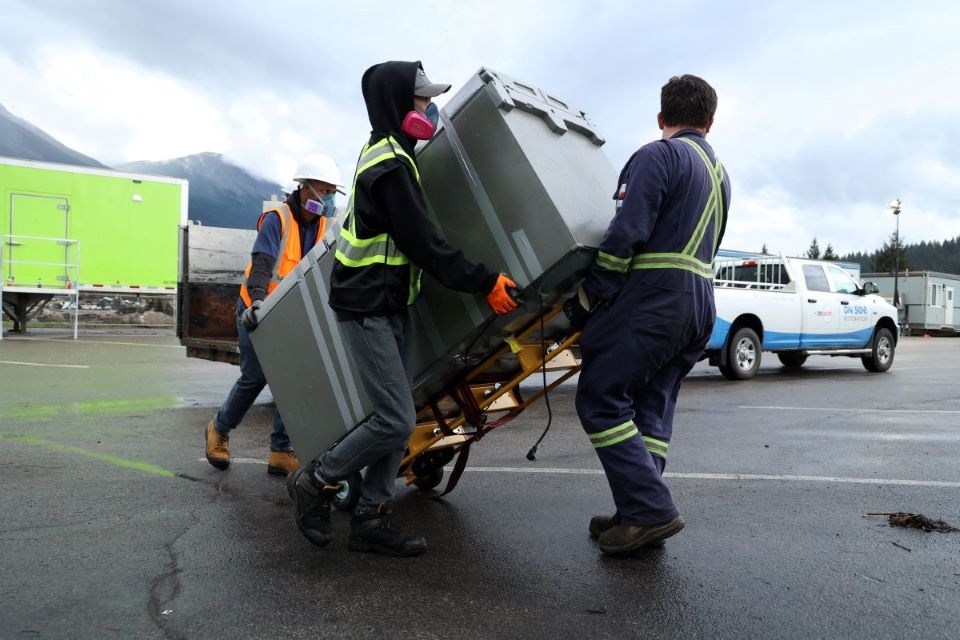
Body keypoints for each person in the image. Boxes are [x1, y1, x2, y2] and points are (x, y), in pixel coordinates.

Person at [288, 60, 519, 557]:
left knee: (399, 412)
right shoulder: (389, 164)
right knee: (393, 420)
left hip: (389, 302)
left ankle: (371, 517)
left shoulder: (397, 155)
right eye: (421, 99)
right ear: (397, 104)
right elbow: (423, 242)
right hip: (366, 303)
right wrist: (483, 281)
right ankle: (314, 482)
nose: (428, 107)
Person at [565, 74, 731, 555]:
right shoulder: (720, 174)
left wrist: (593, 293)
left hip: (657, 298)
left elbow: (626, 232)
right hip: (700, 302)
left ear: (661, 118)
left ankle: (649, 509)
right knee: (652, 405)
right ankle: (636, 513)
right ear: (710, 122)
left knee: (599, 396)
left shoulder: (658, 155)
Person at [204, 156, 344, 476]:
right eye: (325, 191)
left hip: (295, 308)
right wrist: (256, 303)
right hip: (257, 306)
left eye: (333, 192)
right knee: (256, 377)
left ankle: (281, 450)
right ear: (305, 189)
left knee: (292, 379)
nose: (330, 198)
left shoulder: (327, 224)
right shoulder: (277, 218)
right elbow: (262, 262)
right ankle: (219, 429)